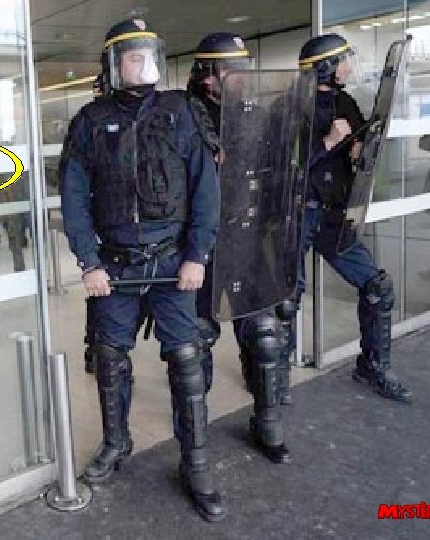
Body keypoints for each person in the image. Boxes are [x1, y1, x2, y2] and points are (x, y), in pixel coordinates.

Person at [59, 18, 225, 521]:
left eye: (148, 55)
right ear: (114, 64)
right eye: (133, 57)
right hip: (115, 266)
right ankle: (117, 441)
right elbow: (74, 198)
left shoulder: (183, 112)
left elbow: (206, 190)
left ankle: (195, 462)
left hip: (174, 262)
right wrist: (89, 261)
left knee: (186, 358)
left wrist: (197, 255)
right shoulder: (90, 121)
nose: (143, 64)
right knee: (110, 356)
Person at [185, 32, 298, 464]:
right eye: (230, 69)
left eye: (242, 67)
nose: (240, 76)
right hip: (202, 243)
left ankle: (267, 422)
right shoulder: (185, 118)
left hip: (248, 237)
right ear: (207, 75)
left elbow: (277, 169)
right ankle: (195, 434)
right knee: (196, 342)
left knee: (265, 334)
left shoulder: (256, 114)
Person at [295, 33, 412, 402]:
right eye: (343, 60)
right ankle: (270, 383)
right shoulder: (292, 106)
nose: (349, 67)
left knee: (377, 286)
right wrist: (327, 143)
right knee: (283, 302)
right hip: (298, 216)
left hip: (334, 216)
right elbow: (283, 169)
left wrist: (359, 149)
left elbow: (359, 145)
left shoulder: (344, 101)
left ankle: (372, 367)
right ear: (326, 67)